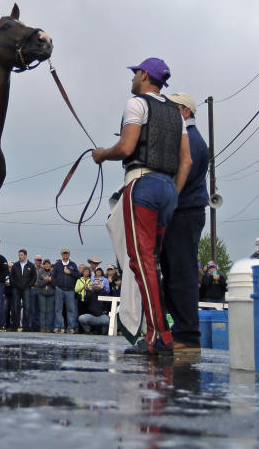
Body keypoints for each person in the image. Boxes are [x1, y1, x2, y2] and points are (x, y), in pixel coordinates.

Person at [91, 57, 192, 355]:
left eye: (135, 73)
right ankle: (157, 332)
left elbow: (126, 147)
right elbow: (186, 160)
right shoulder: (177, 114)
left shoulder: (136, 104)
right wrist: (173, 190)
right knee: (153, 263)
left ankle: (159, 336)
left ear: (145, 75)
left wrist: (101, 154)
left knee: (141, 262)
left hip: (141, 185)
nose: (133, 78)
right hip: (167, 189)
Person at [161, 92, 209, 351]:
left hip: (185, 212)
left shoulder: (192, 140)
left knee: (181, 274)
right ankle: (179, 331)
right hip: (183, 211)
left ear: (186, 112)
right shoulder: (189, 138)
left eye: (173, 109)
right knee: (174, 274)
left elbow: (181, 171)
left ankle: (187, 335)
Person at [51, 247, 79, 333]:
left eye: (66, 253)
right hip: (59, 290)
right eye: (64, 253)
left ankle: (70, 328)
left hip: (70, 290)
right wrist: (55, 286)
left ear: (69, 254)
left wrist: (70, 272)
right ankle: (58, 327)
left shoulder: (73, 264)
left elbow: (77, 275)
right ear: (62, 254)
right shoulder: (57, 265)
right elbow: (53, 276)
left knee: (71, 310)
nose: (65, 254)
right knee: (58, 310)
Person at [9, 249, 36, 331]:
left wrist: (29, 285)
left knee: (27, 307)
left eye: (21, 255)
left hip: (26, 289)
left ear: (25, 255)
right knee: (15, 307)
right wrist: (14, 284)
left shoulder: (31, 265)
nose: (19, 256)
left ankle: (26, 327)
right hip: (16, 289)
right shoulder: (15, 265)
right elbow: (11, 276)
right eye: (19, 255)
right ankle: (15, 326)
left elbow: (34, 277)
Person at [78, 270, 111, 335]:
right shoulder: (91, 292)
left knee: (108, 320)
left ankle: (103, 333)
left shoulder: (103, 292)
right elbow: (85, 300)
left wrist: (102, 288)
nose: (96, 285)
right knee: (81, 318)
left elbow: (108, 301)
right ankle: (88, 331)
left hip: (101, 316)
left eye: (98, 284)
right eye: (95, 284)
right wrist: (88, 290)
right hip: (91, 316)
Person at [36, 258, 56, 333]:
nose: (47, 265)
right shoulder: (40, 272)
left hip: (51, 294)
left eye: (48, 264)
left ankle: (48, 327)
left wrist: (51, 280)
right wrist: (46, 280)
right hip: (42, 294)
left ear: (50, 265)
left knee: (49, 311)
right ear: (43, 265)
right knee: (43, 311)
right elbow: (39, 284)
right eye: (45, 264)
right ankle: (42, 327)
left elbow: (55, 284)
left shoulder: (53, 273)